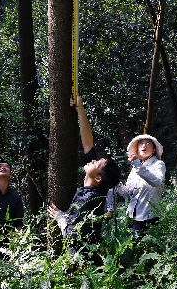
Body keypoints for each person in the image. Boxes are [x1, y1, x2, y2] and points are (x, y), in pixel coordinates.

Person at [47, 92, 122, 249]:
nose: (93, 160)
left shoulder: (89, 200)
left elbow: (70, 235)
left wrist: (61, 218)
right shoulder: (93, 190)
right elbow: (88, 144)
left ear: (98, 178)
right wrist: (80, 108)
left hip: (80, 263)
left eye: (97, 163)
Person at [106, 134, 165, 233]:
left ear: (154, 149)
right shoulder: (135, 167)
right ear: (137, 148)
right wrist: (115, 180)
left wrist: (137, 164)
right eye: (140, 143)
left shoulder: (158, 164)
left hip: (149, 217)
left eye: (148, 143)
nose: (144, 146)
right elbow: (126, 192)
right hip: (131, 217)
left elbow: (156, 182)